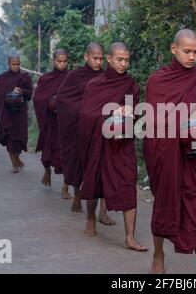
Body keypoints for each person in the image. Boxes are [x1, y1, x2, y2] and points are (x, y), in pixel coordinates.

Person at [143, 29, 196, 274]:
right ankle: (158, 256)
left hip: (195, 154)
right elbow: (155, 123)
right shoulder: (157, 80)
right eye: (187, 51)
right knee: (165, 205)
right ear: (173, 49)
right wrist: (186, 118)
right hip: (166, 156)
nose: (192, 57)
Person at [79, 42, 147, 252]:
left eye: (127, 60)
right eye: (119, 59)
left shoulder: (130, 85)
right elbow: (87, 115)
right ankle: (91, 218)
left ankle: (129, 237)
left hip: (122, 142)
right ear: (109, 59)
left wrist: (129, 110)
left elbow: (136, 112)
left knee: (128, 183)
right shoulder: (95, 85)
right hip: (98, 142)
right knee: (94, 180)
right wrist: (110, 113)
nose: (124, 64)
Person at [56, 43, 114, 222]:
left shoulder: (107, 77)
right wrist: (84, 112)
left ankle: (103, 212)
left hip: (101, 129)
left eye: (101, 58)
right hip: (78, 128)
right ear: (86, 57)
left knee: (103, 169)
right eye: (94, 58)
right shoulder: (74, 76)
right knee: (78, 164)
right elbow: (63, 99)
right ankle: (76, 195)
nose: (98, 62)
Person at [33, 49, 71, 199]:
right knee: (48, 151)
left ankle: (65, 187)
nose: (61, 64)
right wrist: (50, 101)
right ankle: (47, 171)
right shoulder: (45, 79)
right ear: (53, 60)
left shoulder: (71, 78)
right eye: (59, 61)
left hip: (66, 123)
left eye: (64, 61)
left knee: (67, 156)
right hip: (50, 121)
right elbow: (38, 99)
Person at [0, 55, 33, 173]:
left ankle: (17, 158)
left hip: (20, 113)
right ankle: (14, 165)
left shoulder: (25, 77)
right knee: (10, 138)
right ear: (8, 64)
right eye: (13, 64)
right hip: (7, 113)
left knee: (19, 139)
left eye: (18, 64)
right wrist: (8, 94)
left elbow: (30, 94)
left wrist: (21, 90)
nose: (16, 66)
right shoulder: (2, 78)